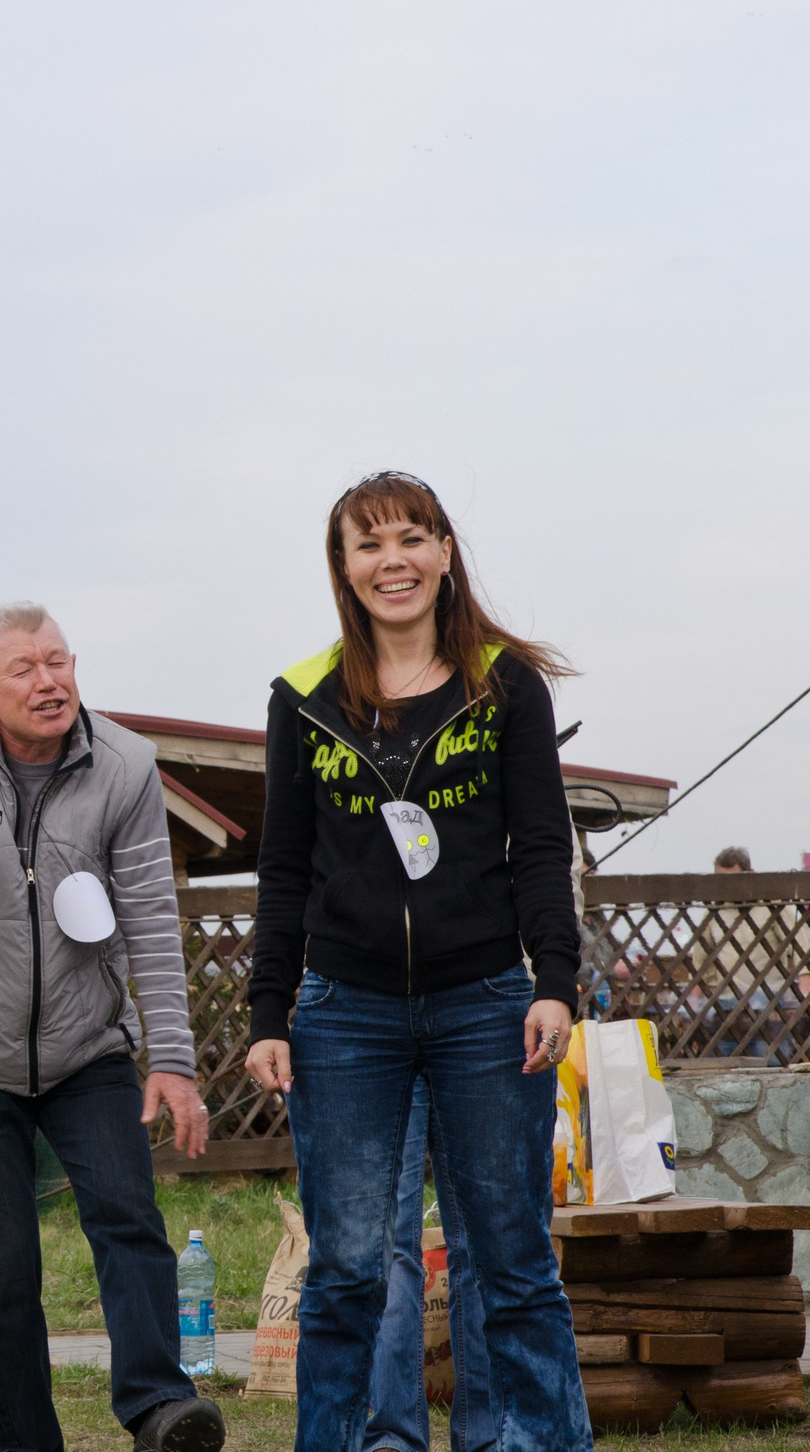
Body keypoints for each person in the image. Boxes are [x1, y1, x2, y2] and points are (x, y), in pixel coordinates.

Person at [244, 471, 590, 1452]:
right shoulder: (303, 699)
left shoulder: (504, 684)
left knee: (512, 1257)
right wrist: (269, 1012)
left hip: (485, 1003)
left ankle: (525, 1440)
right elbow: (281, 867)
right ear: (342, 569)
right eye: (368, 544)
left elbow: (540, 844)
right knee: (350, 1264)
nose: (390, 560)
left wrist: (553, 985)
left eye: (410, 538)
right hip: (343, 1012)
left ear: (444, 553)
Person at [0, 602, 221, 1452]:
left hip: (86, 1043)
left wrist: (172, 1062)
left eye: (59, 662)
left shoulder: (124, 765)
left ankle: (157, 1406)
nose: (49, 682)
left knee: (127, 1219)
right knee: (1, 1266)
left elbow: (150, 914)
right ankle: (23, 1439)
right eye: (25, 670)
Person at [362, 1079, 492, 1452]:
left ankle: (395, 1436)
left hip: (465, 1039)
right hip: (400, 1039)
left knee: (470, 1249)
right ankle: (396, 1436)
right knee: (398, 1250)